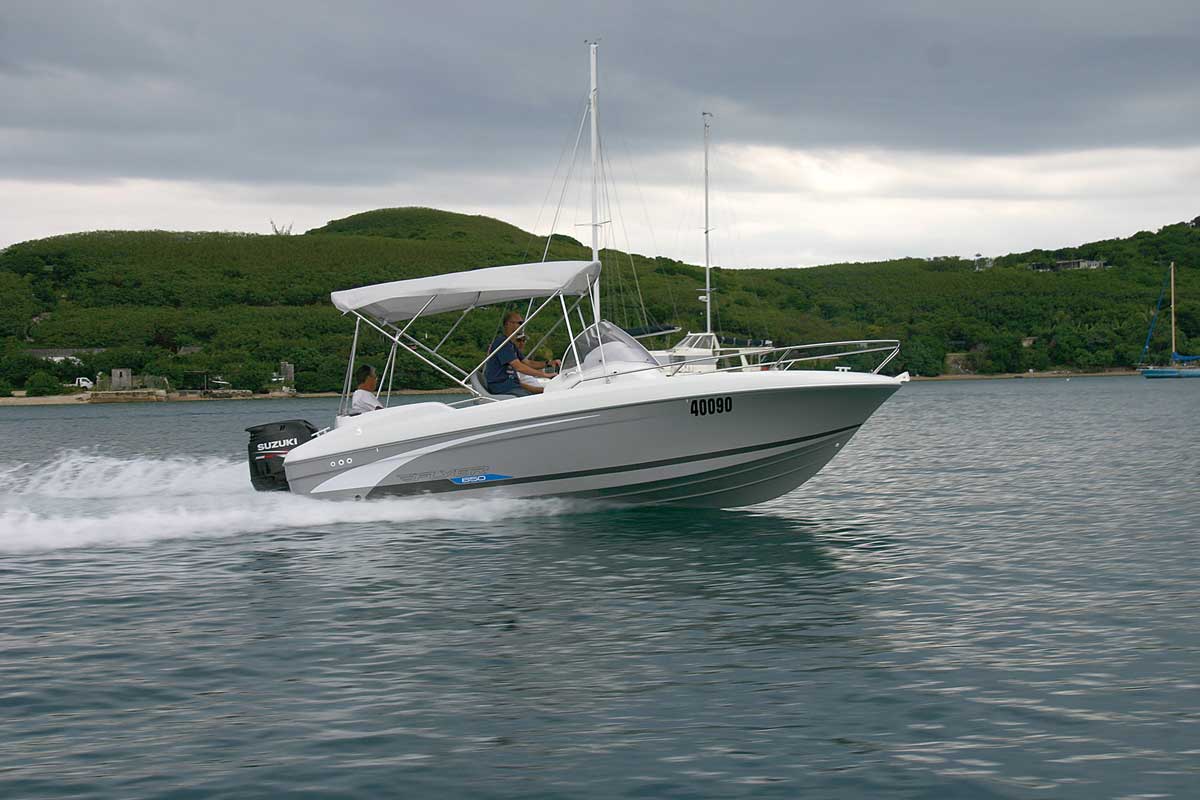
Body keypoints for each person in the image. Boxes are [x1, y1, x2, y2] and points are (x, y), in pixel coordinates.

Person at [484, 311, 559, 396]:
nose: (522, 325)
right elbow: (519, 367)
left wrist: (548, 363)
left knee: (544, 393)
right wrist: (545, 375)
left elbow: (528, 363)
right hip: (501, 386)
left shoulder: (511, 345)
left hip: (512, 385)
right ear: (509, 324)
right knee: (536, 399)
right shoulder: (502, 343)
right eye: (520, 323)